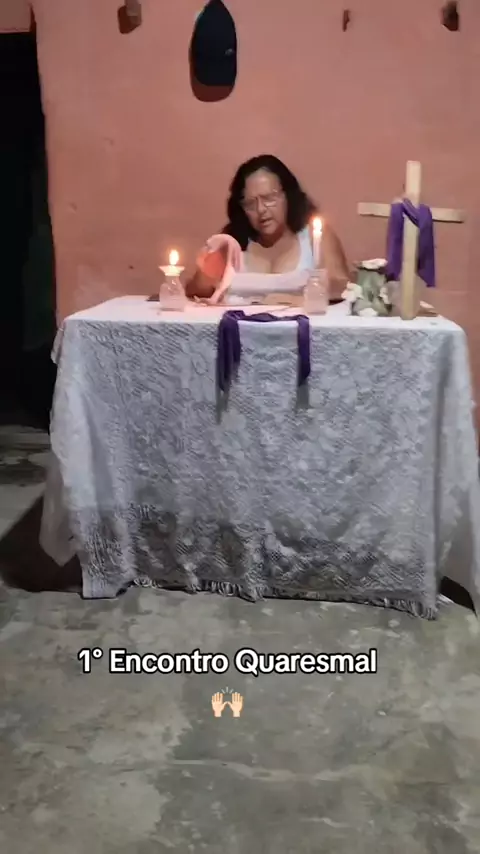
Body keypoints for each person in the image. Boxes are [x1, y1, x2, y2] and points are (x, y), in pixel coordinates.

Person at [186, 154, 350, 301]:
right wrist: (207, 269)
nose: (261, 210)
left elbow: (341, 287)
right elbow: (196, 291)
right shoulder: (232, 243)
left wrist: (296, 299)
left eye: (269, 198)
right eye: (250, 204)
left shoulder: (315, 236)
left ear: (288, 195)